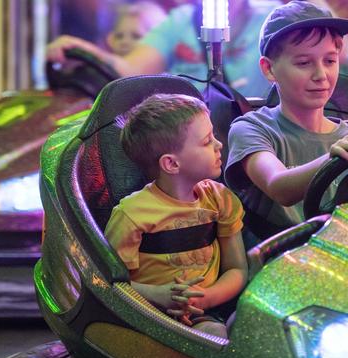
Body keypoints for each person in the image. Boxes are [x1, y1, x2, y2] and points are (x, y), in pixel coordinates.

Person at [224, 1, 348, 242]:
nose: (321, 75)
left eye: (330, 61)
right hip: (277, 263)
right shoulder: (252, 129)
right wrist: (334, 157)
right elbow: (279, 187)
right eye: (304, 63)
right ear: (269, 69)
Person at [104, 94, 248, 338]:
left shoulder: (220, 200)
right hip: (144, 318)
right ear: (171, 164)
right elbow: (108, 283)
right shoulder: (131, 215)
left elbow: (237, 269)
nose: (219, 145)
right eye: (206, 141)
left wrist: (206, 298)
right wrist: (158, 295)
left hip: (203, 315)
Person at [47, 0, 281, 97]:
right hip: (187, 138)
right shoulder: (182, 20)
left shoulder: (274, 17)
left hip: (259, 133)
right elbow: (130, 70)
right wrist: (82, 50)